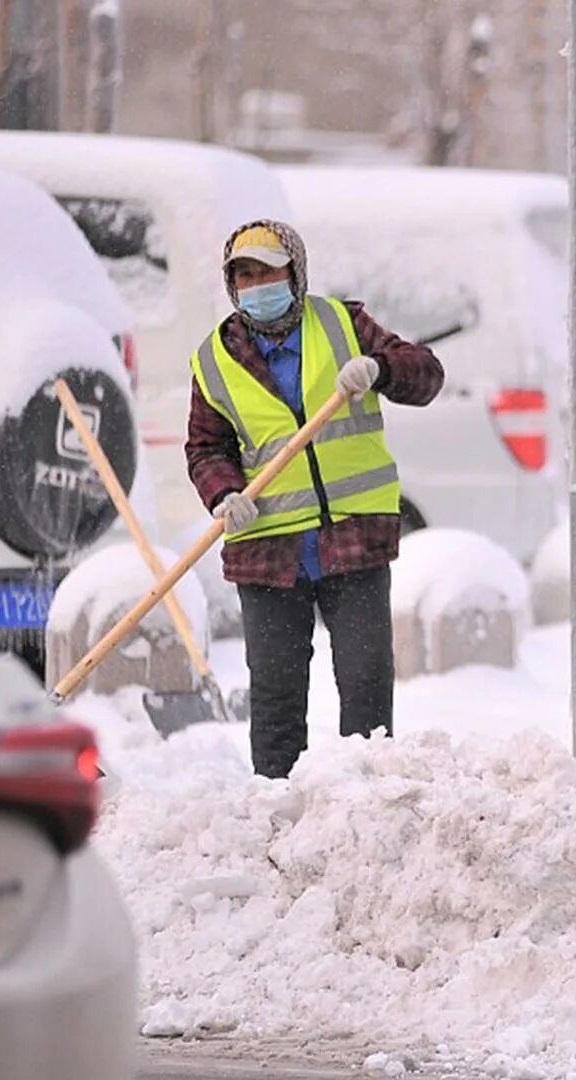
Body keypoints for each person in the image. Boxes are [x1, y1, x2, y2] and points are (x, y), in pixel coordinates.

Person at [185, 220, 444, 779]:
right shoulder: (214, 360)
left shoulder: (343, 325)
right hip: (267, 549)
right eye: (244, 275)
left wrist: (381, 369)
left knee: (366, 685)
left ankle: (368, 804)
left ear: (294, 273)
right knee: (276, 697)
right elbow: (206, 447)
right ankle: (277, 813)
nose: (257, 284)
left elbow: (426, 376)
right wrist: (224, 493)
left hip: (353, 538)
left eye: (267, 272)